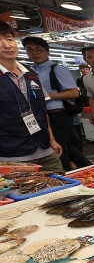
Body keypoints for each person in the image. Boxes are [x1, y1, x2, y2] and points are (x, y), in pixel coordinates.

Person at [0, 21, 63, 173]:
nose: (7, 45)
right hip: (13, 157)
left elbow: (42, 110)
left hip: (45, 150)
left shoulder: (31, 74)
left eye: (9, 38)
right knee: (26, 196)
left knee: (64, 189)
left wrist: (52, 140)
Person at [23, 36, 80, 171]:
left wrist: (46, 96)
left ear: (47, 52)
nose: (34, 53)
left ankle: (66, 178)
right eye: (30, 50)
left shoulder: (57, 69)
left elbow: (74, 93)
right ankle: (83, 170)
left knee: (60, 149)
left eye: (38, 50)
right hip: (40, 116)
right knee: (58, 147)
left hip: (57, 115)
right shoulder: (28, 71)